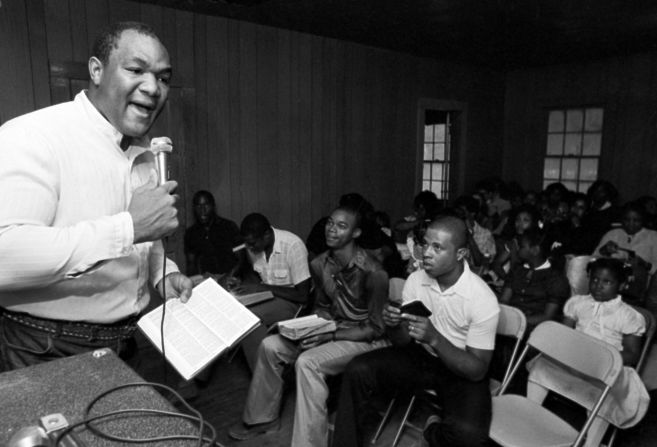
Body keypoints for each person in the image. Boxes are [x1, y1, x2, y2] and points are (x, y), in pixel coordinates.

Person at [0, 22, 192, 372]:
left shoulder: (143, 155)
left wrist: (164, 275)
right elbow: (5, 257)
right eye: (136, 70)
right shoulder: (33, 136)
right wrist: (128, 227)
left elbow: (146, 239)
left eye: (163, 78)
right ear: (96, 70)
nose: (153, 88)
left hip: (125, 343)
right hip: (44, 345)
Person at [331, 215, 500, 447]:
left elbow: (477, 370)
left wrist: (435, 338)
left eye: (437, 247)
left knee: (468, 435)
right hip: (422, 357)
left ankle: (431, 428)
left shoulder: (482, 298)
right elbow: (402, 342)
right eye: (425, 244)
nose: (426, 253)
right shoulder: (416, 280)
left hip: (460, 367)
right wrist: (394, 325)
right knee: (358, 369)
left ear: (460, 254)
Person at [228, 206, 389, 446]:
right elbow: (322, 308)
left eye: (342, 226)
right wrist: (308, 329)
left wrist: (330, 335)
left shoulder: (374, 271)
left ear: (356, 233)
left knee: (307, 362)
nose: (332, 229)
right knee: (270, 345)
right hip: (332, 330)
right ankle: (263, 420)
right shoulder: (320, 264)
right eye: (330, 223)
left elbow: (376, 329)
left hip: (364, 339)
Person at [527, 258, 650, 430]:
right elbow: (564, 333)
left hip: (606, 369)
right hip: (575, 359)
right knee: (542, 365)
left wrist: (604, 359)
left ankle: (591, 440)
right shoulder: (578, 303)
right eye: (594, 279)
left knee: (605, 397)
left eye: (607, 282)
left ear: (621, 285)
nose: (598, 285)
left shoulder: (628, 316)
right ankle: (529, 412)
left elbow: (632, 353)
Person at [227, 212, 312, 371]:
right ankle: (265, 371)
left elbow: (303, 296)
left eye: (252, 243)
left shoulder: (293, 245)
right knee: (235, 307)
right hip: (268, 297)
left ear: (266, 235)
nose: (250, 248)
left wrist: (261, 287)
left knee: (248, 318)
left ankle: (264, 374)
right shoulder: (254, 246)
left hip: (291, 302)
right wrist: (240, 282)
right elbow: (256, 275)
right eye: (247, 244)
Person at [499, 228, 570, 329]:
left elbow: (548, 316)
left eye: (521, 246)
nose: (518, 249)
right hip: (509, 322)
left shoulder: (555, 278)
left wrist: (518, 322)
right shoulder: (517, 270)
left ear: (535, 250)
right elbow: (504, 300)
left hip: (536, 329)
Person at [594, 201, 657, 303]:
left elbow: (655, 269)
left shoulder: (653, 237)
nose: (631, 224)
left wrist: (644, 264)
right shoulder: (613, 234)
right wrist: (604, 251)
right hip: (609, 283)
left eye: (636, 220)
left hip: (638, 286)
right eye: (627, 220)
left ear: (643, 220)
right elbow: (593, 260)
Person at [184, 190, 241, 281]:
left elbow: (241, 258)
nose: (202, 210)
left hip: (231, 278)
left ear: (213, 206)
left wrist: (228, 277)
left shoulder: (228, 227)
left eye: (206, 205)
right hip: (207, 280)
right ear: (194, 208)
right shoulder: (191, 233)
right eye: (198, 206)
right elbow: (191, 263)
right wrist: (193, 283)